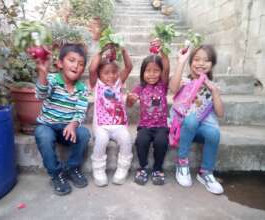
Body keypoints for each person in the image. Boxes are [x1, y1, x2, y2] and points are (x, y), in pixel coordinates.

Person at [34, 43, 90, 195]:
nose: (76, 66)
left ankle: (72, 168)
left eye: (81, 64)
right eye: (71, 60)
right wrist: (43, 74)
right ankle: (56, 174)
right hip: (48, 126)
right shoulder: (52, 80)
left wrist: (73, 124)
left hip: (67, 129)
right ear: (59, 63)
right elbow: (41, 95)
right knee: (43, 135)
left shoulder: (82, 89)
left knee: (84, 134)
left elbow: (80, 111)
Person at [169, 44, 224, 194]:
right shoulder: (184, 82)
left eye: (206, 60)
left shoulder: (212, 85)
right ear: (191, 62)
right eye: (197, 59)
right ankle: (182, 163)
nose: (201, 63)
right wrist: (181, 61)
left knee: (214, 134)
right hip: (184, 125)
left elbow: (220, 113)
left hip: (201, 128)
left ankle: (205, 172)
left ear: (212, 64)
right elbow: (173, 89)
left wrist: (214, 92)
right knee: (191, 120)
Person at [89, 44, 133, 186]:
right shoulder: (97, 85)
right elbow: (91, 69)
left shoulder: (118, 84)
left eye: (114, 72)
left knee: (126, 139)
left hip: (118, 124)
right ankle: (98, 169)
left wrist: (123, 50)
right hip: (101, 126)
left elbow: (129, 67)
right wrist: (102, 50)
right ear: (99, 74)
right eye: (106, 73)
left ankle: (123, 168)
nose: (111, 76)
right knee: (101, 140)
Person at [127, 39, 170, 186]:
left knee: (161, 142)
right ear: (142, 72)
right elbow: (129, 104)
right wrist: (130, 99)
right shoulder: (140, 87)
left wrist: (162, 50)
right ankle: (143, 167)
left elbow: (167, 67)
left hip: (161, 126)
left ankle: (157, 169)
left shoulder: (162, 85)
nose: (152, 74)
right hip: (145, 126)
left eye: (156, 70)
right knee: (141, 141)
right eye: (148, 70)